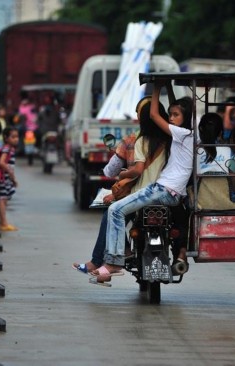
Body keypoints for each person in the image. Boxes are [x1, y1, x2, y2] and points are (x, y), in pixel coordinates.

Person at [89, 81, 193, 286]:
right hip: (172, 194)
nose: (171, 119)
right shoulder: (181, 137)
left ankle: (114, 262)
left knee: (115, 210)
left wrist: (155, 88)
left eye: (176, 115)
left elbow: (154, 116)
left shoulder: (180, 134)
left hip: (163, 190)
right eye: (170, 115)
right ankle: (117, 260)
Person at [72, 97, 170, 277]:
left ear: (142, 118)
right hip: (169, 195)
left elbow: (125, 171)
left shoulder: (135, 140)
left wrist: (123, 174)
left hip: (141, 194)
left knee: (112, 212)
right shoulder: (173, 139)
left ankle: (109, 258)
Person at [0, 127, 20, 232]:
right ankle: (4, 223)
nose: (16, 139)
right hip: (4, 177)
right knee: (3, 199)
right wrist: (10, 173)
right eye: (13, 137)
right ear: (6, 138)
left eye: (17, 137)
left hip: (6, 177)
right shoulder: (7, 148)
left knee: (4, 199)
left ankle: (1, 222)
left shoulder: (10, 148)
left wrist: (12, 178)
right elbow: (1, 162)